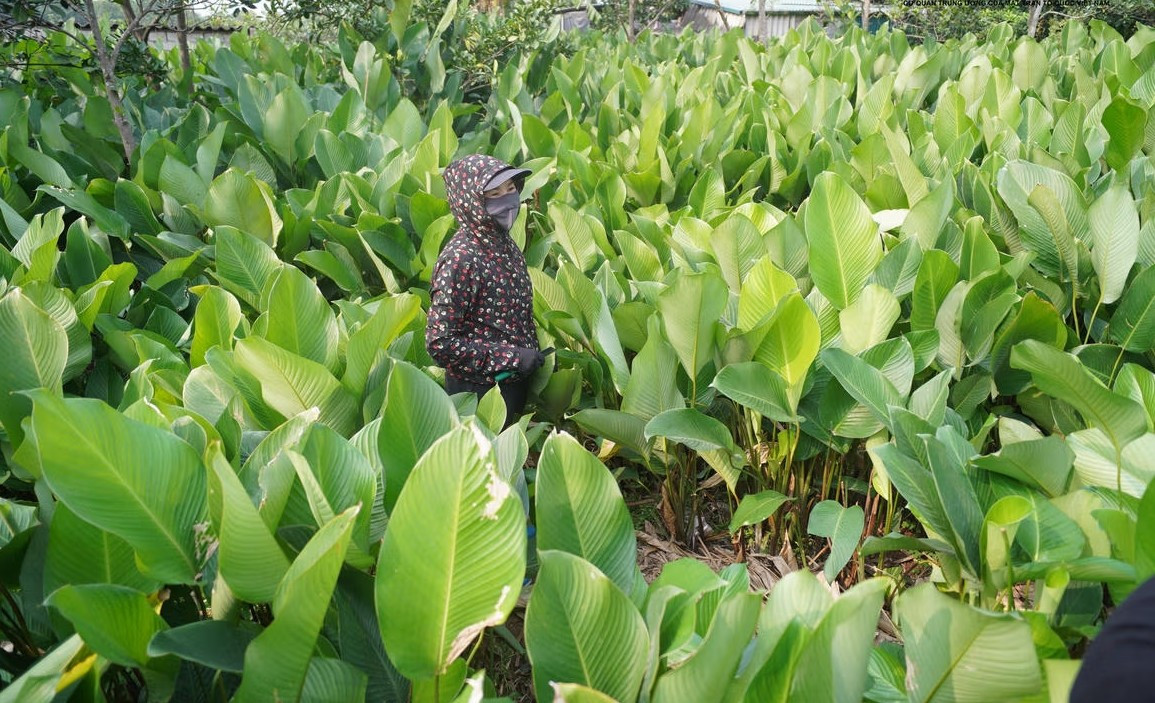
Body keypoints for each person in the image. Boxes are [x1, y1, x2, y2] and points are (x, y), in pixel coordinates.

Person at [425, 154, 545, 427]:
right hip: (479, 393)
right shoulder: (461, 259)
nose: (507, 200)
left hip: (513, 384)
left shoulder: (503, 243)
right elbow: (439, 343)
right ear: (471, 202)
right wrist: (512, 357)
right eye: (494, 194)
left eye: (511, 189)